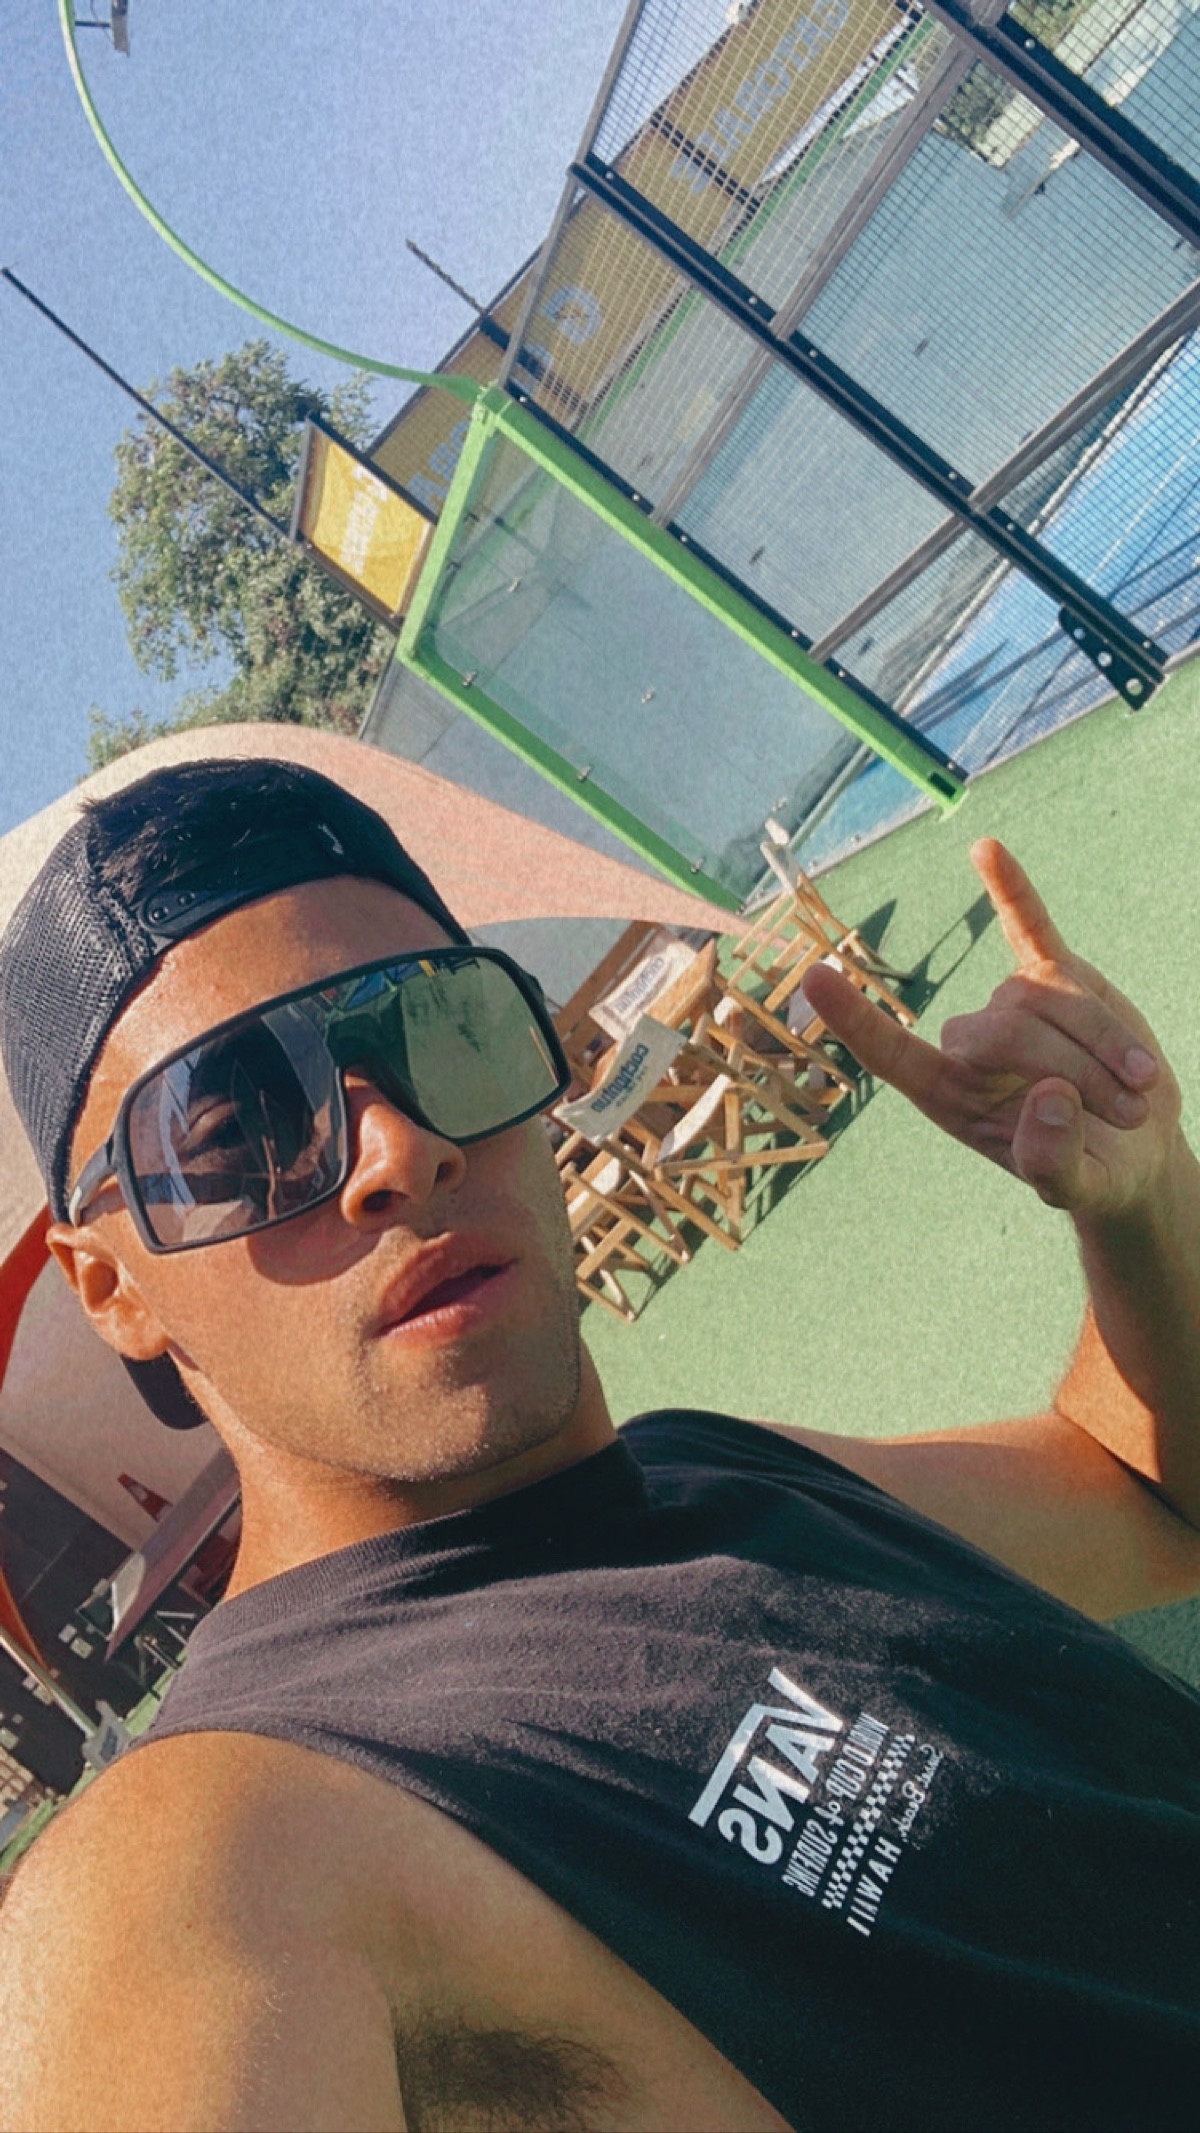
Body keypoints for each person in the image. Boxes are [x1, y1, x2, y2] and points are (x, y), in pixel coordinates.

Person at [0, 756, 1196, 2133]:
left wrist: (1140, 1197)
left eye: (438, 1025)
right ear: (114, 1288)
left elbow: (1150, 1495)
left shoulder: (710, 1471)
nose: (398, 1150)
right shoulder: (218, 1851)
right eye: (236, 1126)